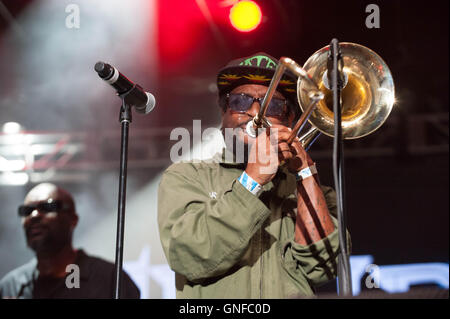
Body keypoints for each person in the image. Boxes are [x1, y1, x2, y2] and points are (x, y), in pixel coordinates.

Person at [158, 52, 350, 298]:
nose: (255, 111)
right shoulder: (186, 176)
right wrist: (252, 181)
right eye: (240, 101)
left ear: (289, 118)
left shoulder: (314, 190)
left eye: (273, 105)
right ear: (224, 112)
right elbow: (188, 257)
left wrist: (305, 172)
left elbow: (325, 268)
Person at [0, 183, 140, 299]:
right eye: (26, 211)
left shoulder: (110, 280)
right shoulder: (10, 287)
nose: (34, 215)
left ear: (73, 219)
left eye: (48, 207)